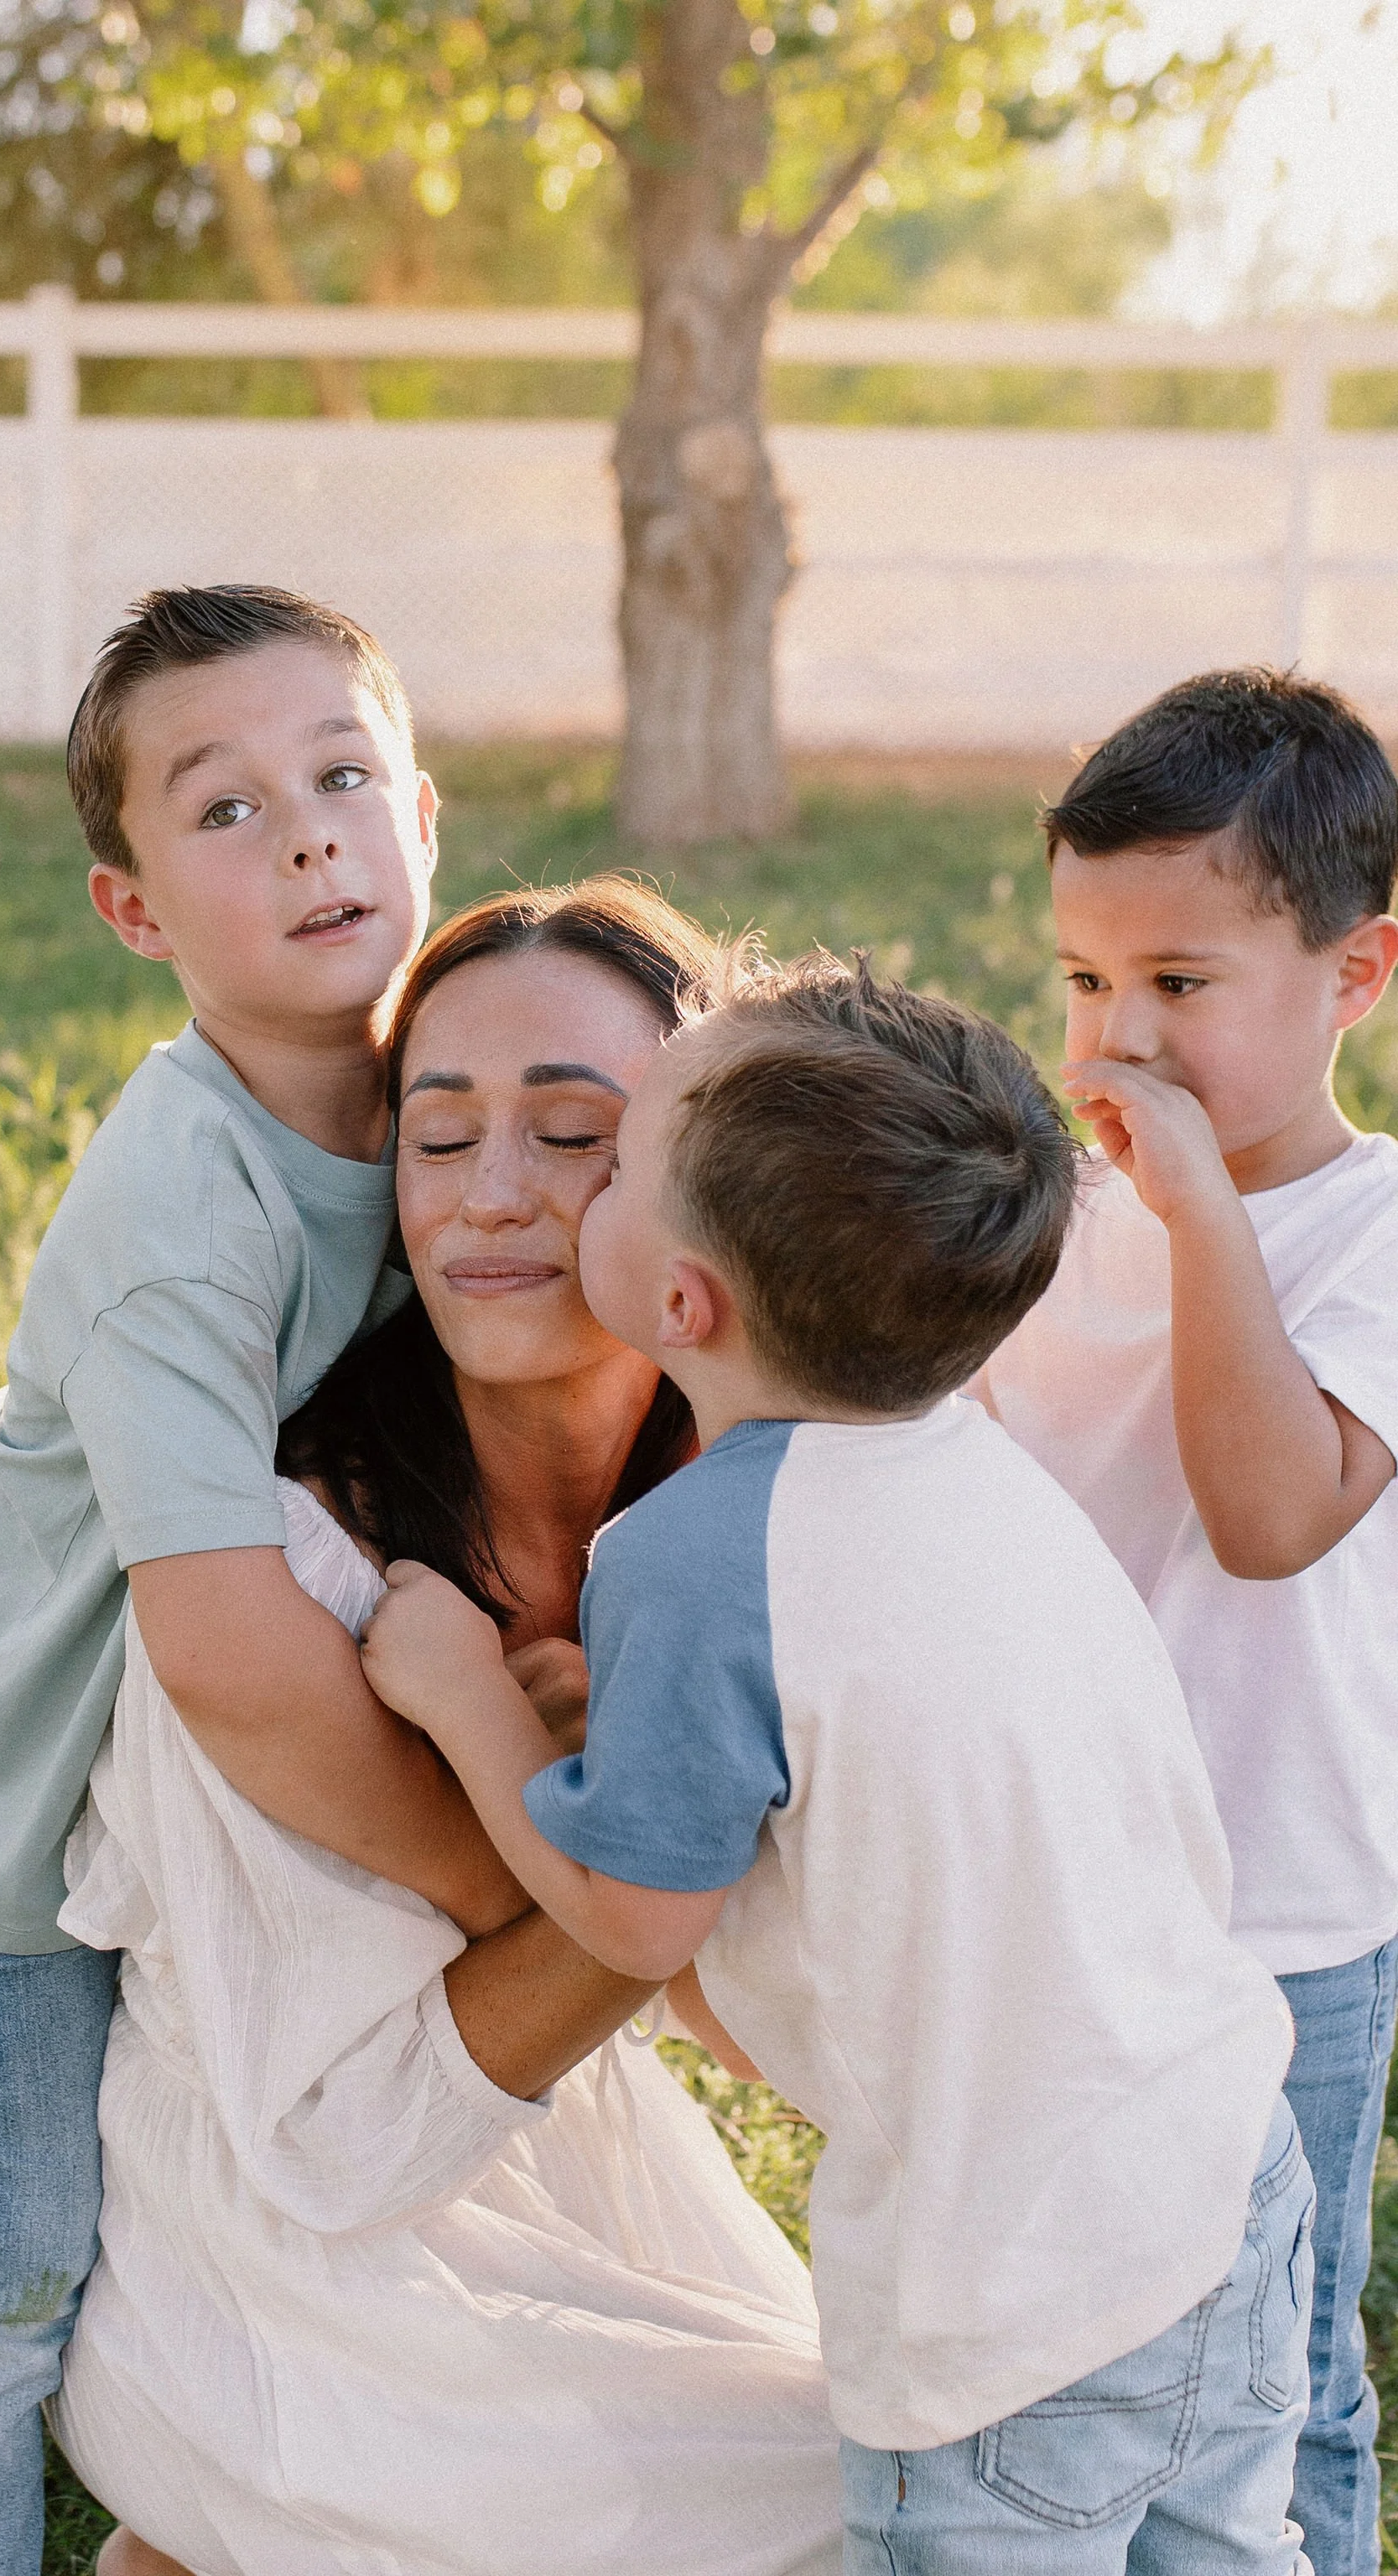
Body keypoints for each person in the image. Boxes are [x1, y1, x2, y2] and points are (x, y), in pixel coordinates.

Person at [366, 955, 1311, 2574]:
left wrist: (467, 1703)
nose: (582, 1186)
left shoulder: (689, 1556)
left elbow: (638, 1923)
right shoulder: (970, 1460)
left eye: (622, 1153)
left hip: (1012, 2302)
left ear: (683, 1308)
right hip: (1226, 2177)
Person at [49, 881, 844, 2576]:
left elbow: (837, 2032)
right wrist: (633, 1836)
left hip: (558, 2172)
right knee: (856, 2517)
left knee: (937, 2459)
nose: (491, 1198)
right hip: (277, 2249)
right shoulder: (294, 1569)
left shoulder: (749, 1506)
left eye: (574, 1134)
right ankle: (225, 2512)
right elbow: (351, 2139)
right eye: (437, 1135)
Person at [0, 584, 524, 2576]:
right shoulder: (183, 1216)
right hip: (31, 1774)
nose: (308, 831)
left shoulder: (465, 1106)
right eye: (221, 809)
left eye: (337, 777)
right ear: (132, 910)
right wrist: (488, 1875)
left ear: (421, 812)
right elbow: (227, 1661)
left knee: (227, 2193)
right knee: (12, 2254)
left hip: (224, 1781)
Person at [973, 669, 1398, 2576]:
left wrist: (1202, 1216)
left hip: (1281, 1919)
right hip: (1065, 1899)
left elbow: (1268, 1513)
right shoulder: (1059, 1218)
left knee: (1276, 2374)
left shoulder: (1372, 1230)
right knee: (1072, 2345)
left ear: (1356, 976)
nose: (1117, 1038)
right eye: (1083, 984)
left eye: (1180, 985)